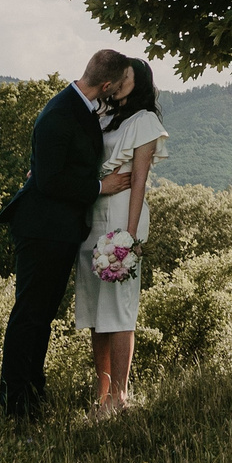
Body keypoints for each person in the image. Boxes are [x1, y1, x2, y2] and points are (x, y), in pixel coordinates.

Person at [0, 50, 136, 419]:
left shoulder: (81, 106)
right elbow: (49, 179)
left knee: (40, 316)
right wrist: (98, 187)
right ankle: (13, 403)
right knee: (29, 315)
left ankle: (32, 393)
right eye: (118, 87)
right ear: (105, 85)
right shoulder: (59, 113)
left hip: (58, 231)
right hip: (42, 229)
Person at [77, 55, 167, 416]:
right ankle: (102, 394)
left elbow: (140, 182)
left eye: (125, 75)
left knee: (119, 312)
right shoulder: (101, 115)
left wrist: (129, 238)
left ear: (138, 81)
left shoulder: (145, 122)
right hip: (92, 216)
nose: (118, 80)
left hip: (120, 221)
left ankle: (119, 398)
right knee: (97, 313)